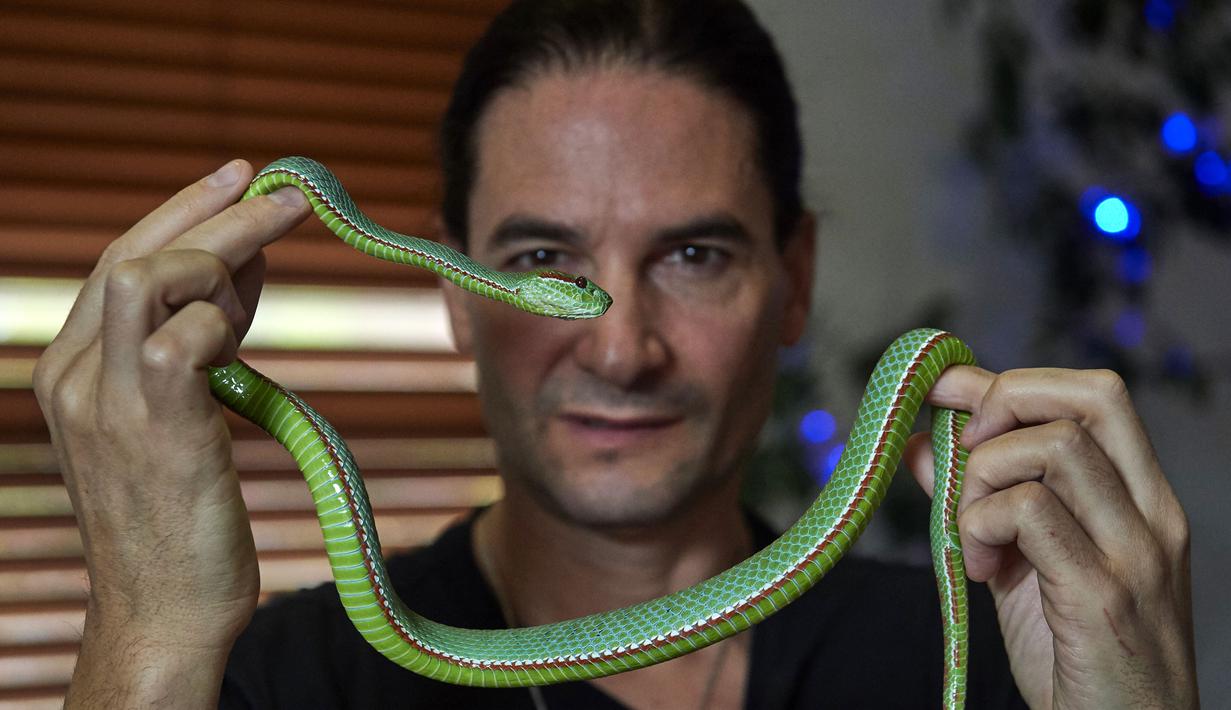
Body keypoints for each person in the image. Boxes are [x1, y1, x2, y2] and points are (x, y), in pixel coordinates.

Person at [37, 0, 1198, 707]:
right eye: (545, 253)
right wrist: (147, 635)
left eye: (693, 254)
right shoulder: (254, 674)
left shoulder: (991, 645)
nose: (622, 343)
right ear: (456, 286)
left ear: (792, 279)